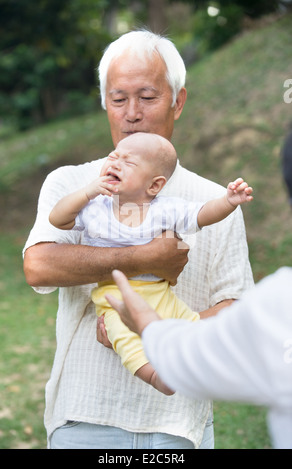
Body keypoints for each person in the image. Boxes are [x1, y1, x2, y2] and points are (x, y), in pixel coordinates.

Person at [23, 30, 253, 449]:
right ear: (104, 105)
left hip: (179, 424)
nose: (131, 113)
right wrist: (145, 256)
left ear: (177, 101)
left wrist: (155, 333)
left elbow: (237, 310)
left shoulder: (211, 201)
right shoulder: (75, 184)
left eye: (147, 97)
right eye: (117, 99)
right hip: (84, 416)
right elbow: (39, 265)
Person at [105, 146, 292, 450]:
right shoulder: (94, 202)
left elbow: (188, 356)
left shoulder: (281, 303)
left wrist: (145, 323)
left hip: (147, 311)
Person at [48, 132, 253, 395]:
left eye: (129, 162)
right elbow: (59, 219)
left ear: (154, 186)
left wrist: (227, 202)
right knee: (125, 340)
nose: (115, 163)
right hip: (117, 300)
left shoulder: (164, 209)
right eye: (113, 156)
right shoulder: (96, 208)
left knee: (188, 326)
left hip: (160, 294)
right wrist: (87, 192)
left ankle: (189, 368)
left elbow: (201, 215)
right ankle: (157, 377)